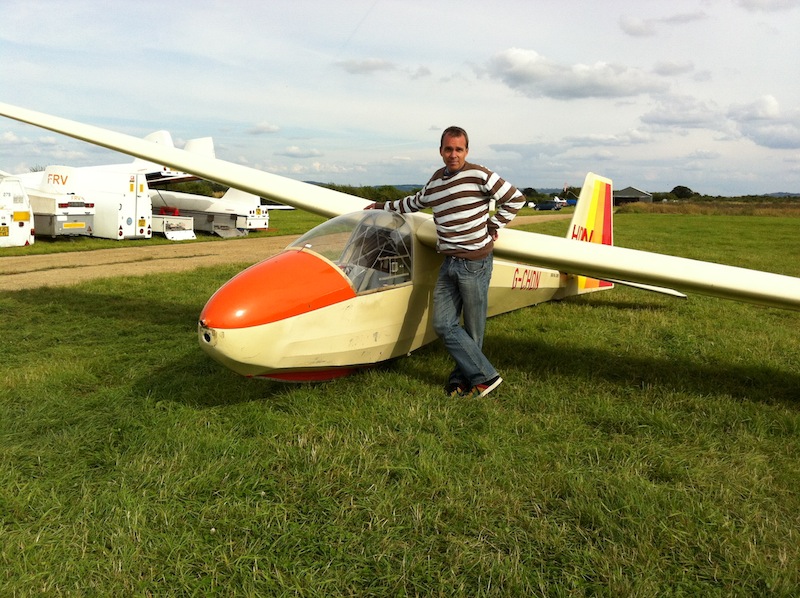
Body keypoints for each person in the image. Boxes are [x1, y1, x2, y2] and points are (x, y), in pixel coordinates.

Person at [367, 126, 525, 398]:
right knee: (443, 324)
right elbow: (413, 203)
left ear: (467, 151)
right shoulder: (436, 181)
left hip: (475, 263)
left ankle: (463, 380)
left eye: (459, 149)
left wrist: (492, 225)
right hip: (449, 261)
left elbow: (515, 199)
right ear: (440, 151)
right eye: (448, 149)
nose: (454, 154)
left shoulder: (479, 174)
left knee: (473, 328)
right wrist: (381, 207)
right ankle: (486, 376)